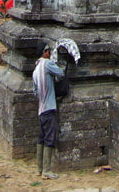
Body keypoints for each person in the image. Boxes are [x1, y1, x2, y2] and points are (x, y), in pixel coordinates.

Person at [32, 41, 65, 180]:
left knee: (41, 138)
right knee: (50, 138)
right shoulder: (47, 63)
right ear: (44, 52)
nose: (49, 54)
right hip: (50, 107)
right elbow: (60, 73)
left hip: (41, 109)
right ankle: (46, 170)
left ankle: (39, 169)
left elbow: (35, 92)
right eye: (48, 51)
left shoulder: (35, 70)